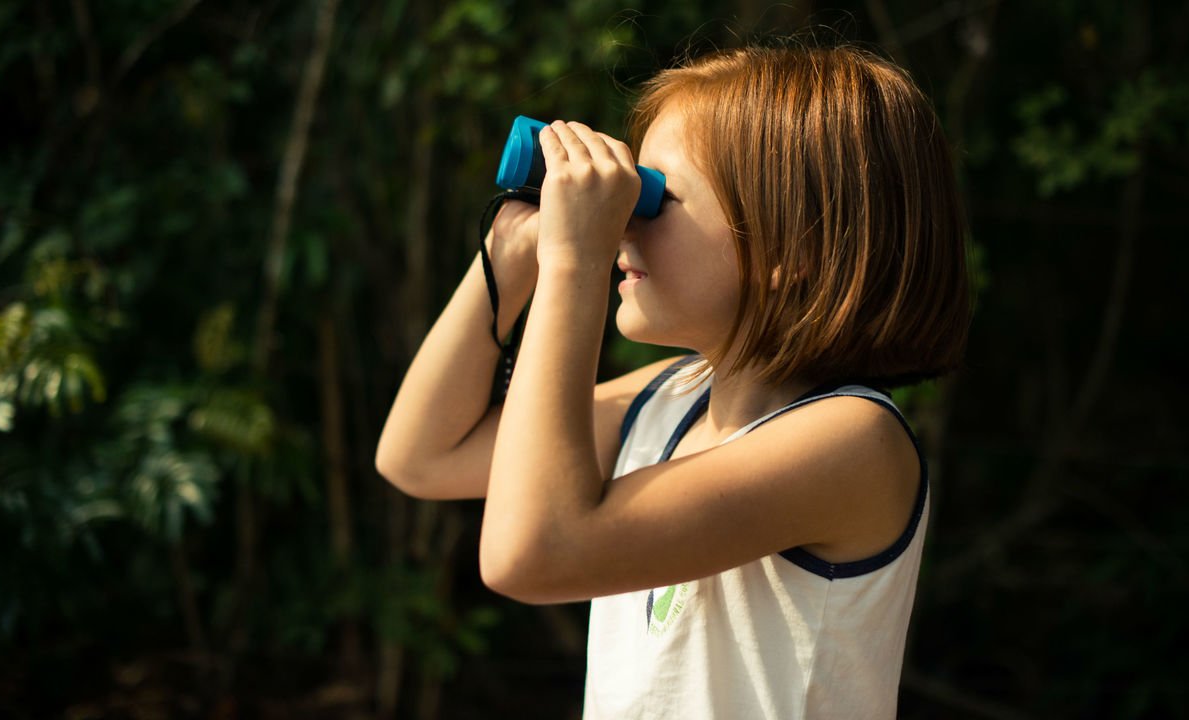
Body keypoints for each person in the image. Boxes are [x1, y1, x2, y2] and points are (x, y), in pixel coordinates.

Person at [376, 43, 971, 719]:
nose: (623, 224)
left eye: (651, 197)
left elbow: (533, 553)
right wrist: (511, 255)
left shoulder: (855, 442)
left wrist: (574, 260)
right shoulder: (668, 398)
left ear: (791, 247)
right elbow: (421, 456)